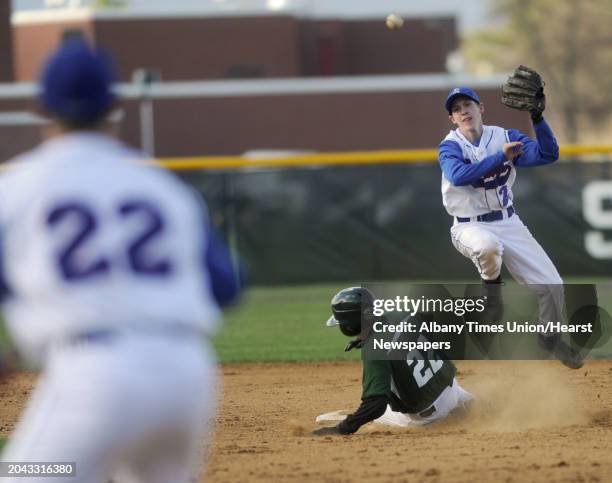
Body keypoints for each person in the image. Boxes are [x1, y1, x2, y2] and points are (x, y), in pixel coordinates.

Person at [0, 39, 241, 482]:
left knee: (24, 471)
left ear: (41, 107)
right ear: (113, 106)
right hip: (187, 376)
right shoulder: (163, 188)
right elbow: (226, 286)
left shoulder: (18, 188)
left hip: (94, 374)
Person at [438, 84, 582, 369]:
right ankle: (492, 291)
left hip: (508, 221)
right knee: (487, 247)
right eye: (456, 109)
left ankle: (549, 336)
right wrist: (501, 157)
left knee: (553, 286)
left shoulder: (504, 136)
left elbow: (547, 155)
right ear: (452, 119)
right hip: (468, 226)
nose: (463, 111)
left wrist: (537, 117)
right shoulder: (450, 145)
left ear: (481, 109)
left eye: (468, 104)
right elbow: (458, 175)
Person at [313, 287, 473, 435]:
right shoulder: (403, 313)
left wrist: (342, 429)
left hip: (428, 416)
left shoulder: (374, 351)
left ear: (349, 325)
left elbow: (376, 405)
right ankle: (468, 402)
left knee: (377, 411)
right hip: (453, 390)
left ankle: (344, 421)